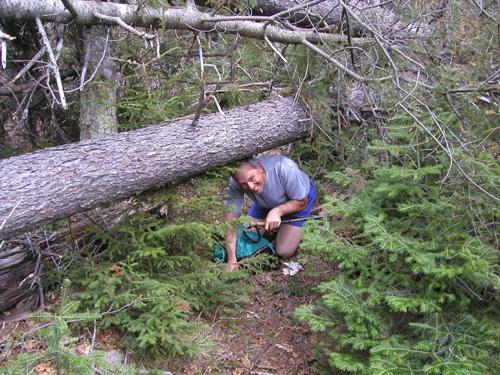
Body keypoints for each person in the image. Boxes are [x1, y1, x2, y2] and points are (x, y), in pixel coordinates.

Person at [224, 155, 316, 271]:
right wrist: (232, 260)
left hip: (298, 199)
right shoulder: (237, 181)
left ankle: (295, 221)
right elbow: (231, 220)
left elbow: (301, 202)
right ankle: (275, 223)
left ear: (260, 168)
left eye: (252, 178)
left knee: (283, 251)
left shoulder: (284, 167)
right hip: (265, 202)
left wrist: (277, 211)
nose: (251, 187)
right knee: (247, 236)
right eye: (244, 184)